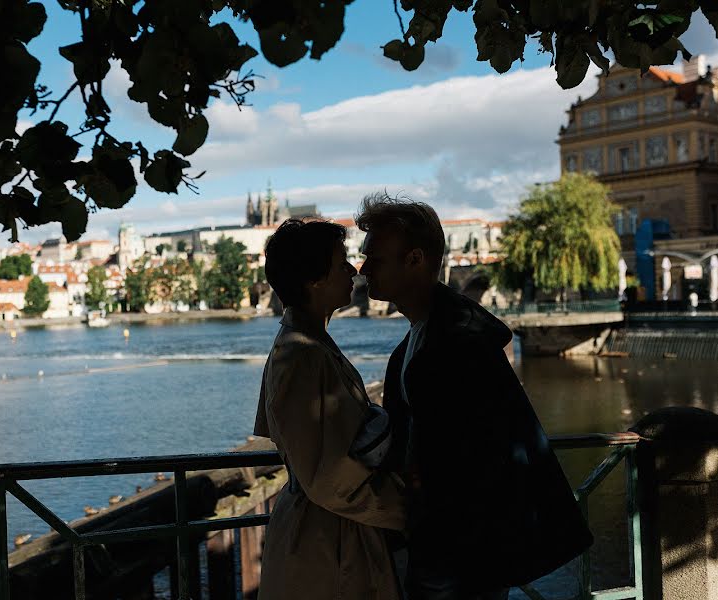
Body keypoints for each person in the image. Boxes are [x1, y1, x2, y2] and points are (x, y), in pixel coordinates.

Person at [356, 193, 593, 600]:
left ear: (414, 260)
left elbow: (476, 454)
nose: (362, 270)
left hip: (459, 548)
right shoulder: (427, 335)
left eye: (374, 259)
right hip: (450, 543)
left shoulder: (457, 342)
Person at [253, 218, 406, 600]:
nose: (353, 270)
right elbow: (328, 478)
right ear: (314, 280)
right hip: (326, 543)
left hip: (328, 532)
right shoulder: (303, 355)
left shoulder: (304, 344)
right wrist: (409, 509)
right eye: (341, 263)